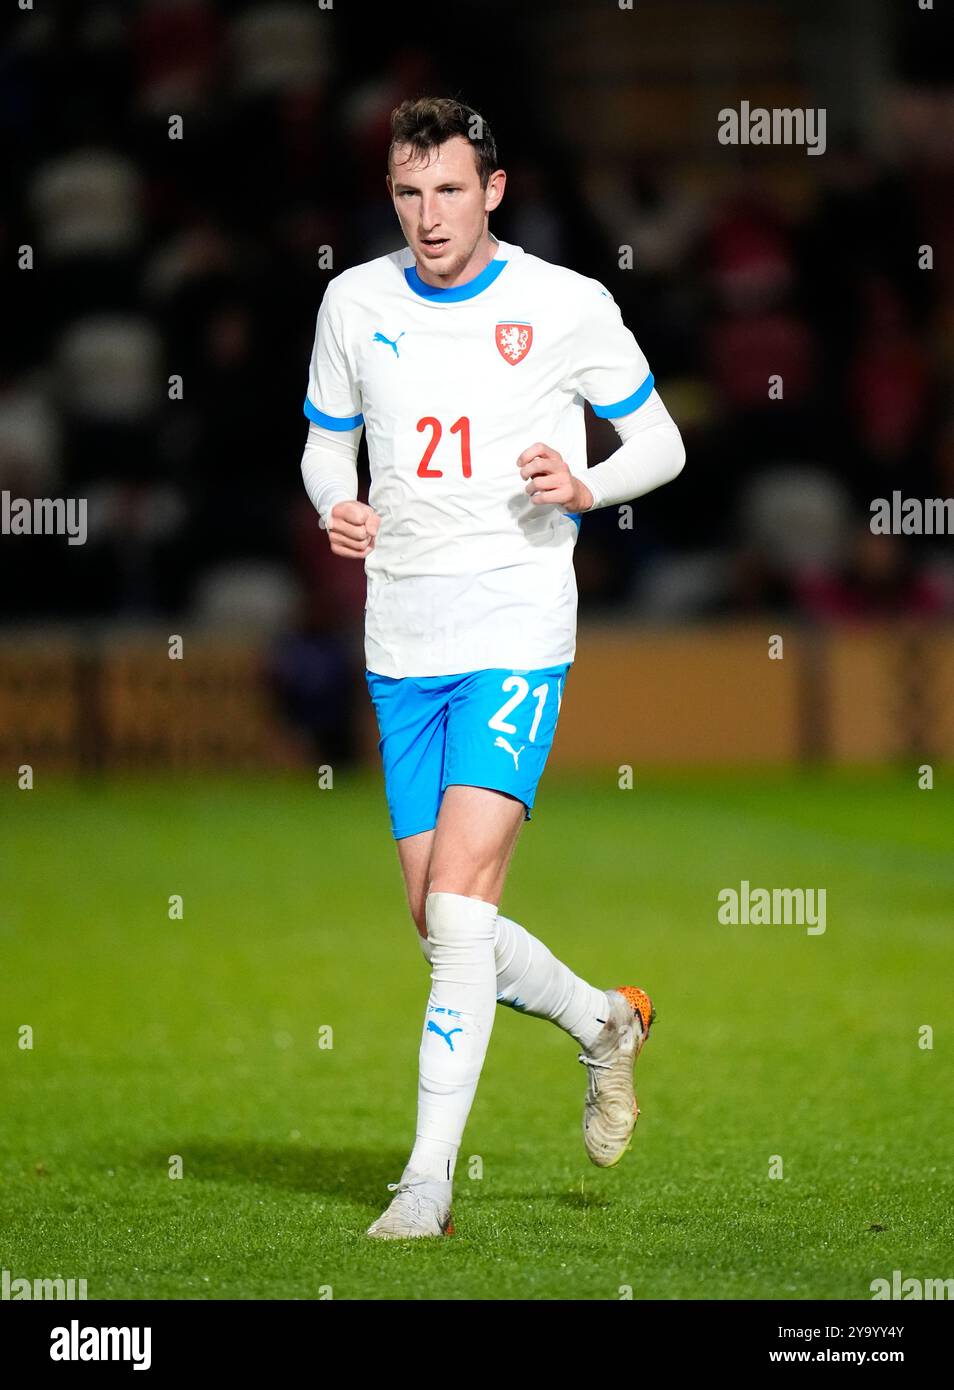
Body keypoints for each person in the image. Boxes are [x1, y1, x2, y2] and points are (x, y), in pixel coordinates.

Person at [300, 97, 686, 1238]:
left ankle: (426, 1183)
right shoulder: (352, 301)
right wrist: (339, 504)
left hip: (516, 632)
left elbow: (659, 439)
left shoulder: (565, 304)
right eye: (409, 192)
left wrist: (589, 485)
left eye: (450, 190)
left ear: (495, 190)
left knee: (461, 919)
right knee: (437, 922)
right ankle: (607, 1019)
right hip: (402, 641)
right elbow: (326, 443)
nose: (428, 215)